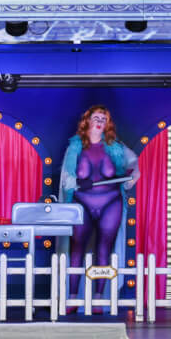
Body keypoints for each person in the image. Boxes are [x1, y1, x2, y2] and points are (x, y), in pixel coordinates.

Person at [61, 105, 139, 289]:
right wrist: (77, 183)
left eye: (103, 119)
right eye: (96, 118)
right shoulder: (74, 147)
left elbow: (134, 166)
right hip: (82, 203)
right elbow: (66, 179)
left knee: (104, 250)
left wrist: (129, 178)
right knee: (76, 249)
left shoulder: (116, 146)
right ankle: (71, 297)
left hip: (111, 203)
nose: (100, 122)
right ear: (87, 120)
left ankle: (99, 298)